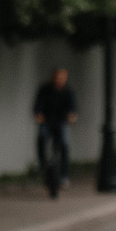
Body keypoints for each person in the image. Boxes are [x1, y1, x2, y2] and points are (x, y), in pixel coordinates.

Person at [33, 69, 77, 198]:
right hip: (46, 122)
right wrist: (38, 115)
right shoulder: (45, 89)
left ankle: (63, 176)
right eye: (57, 78)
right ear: (53, 78)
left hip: (60, 123)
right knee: (41, 138)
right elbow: (38, 106)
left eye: (61, 78)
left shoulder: (68, 91)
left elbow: (72, 108)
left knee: (63, 144)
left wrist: (71, 116)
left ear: (65, 79)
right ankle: (43, 166)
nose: (58, 80)